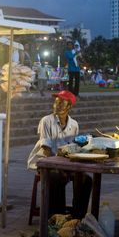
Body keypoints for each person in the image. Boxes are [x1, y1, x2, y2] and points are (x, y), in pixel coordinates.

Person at [27, 90, 92, 218]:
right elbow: (46, 149)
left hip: (65, 163)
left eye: (62, 102)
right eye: (56, 102)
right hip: (45, 162)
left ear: (69, 107)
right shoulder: (46, 120)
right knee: (56, 176)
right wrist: (59, 166)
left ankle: (77, 216)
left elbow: (73, 147)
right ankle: (56, 217)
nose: (57, 105)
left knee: (86, 180)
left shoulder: (74, 125)